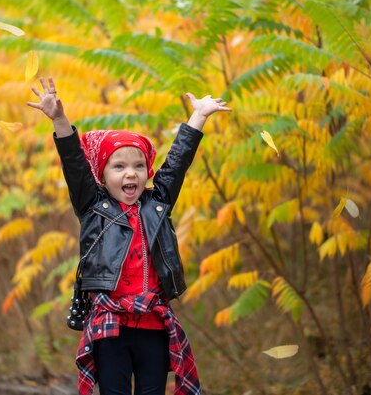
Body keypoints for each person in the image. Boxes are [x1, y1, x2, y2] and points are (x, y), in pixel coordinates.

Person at [27, 77, 231, 395]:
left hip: (153, 323)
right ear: (102, 175)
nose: (130, 173)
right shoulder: (93, 205)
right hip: (111, 326)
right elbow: (74, 164)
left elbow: (177, 164)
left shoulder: (157, 203)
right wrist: (58, 118)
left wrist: (199, 116)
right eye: (118, 166)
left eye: (138, 166)